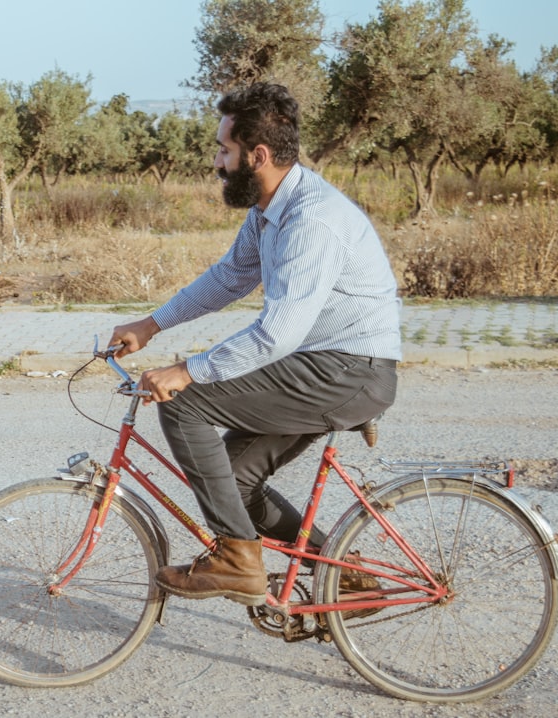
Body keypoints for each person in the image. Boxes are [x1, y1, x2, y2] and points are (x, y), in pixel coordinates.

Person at [108, 83, 401, 607]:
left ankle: (237, 561)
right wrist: (152, 324)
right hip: (324, 366)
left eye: (225, 151)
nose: (217, 163)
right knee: (234, 483)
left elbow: (278, 333)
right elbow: (230, 277)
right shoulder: (270, 209)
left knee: (184, 404)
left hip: (348, 371)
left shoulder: (310, 220)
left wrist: (188, 371)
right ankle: (343, 577)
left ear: (257, 156)